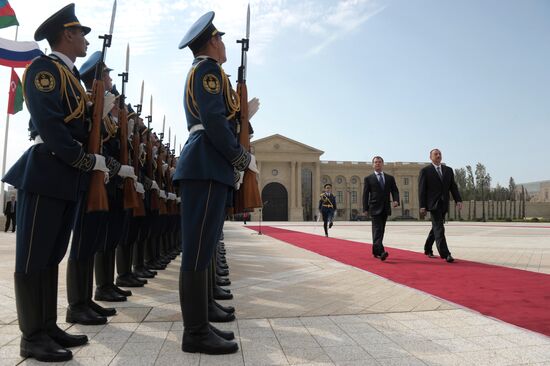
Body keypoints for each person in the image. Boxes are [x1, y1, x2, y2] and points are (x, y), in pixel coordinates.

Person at [1, 4, 109, 362]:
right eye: (81, 33)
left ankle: (47, 326)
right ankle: (31, 337)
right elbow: (49, 123)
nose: (85, 40)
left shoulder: (72, 78)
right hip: (47, 170)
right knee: (33, 257)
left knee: (51, 255)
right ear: (67, 34)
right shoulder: (44, 69)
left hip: (64, 175)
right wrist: (83, 159)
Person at [174, 11, 258, 354]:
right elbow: (211, 120)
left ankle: (203, 315)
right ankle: (194, 332)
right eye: (221, 38)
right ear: (212, 41)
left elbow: (218, 117)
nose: (224, 44)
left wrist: (242, 119)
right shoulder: (208, 71)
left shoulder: (210, 73)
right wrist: (240, 157)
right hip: (206, 161)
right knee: (196, 252)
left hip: (209, 162)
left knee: (205, 248)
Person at [419, 148, 462, 263]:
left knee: (436, 227)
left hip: (444, 204)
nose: (438, 156)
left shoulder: (448, 170)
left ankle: (427, 248)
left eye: (439, 154)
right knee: (439, 228)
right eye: (435, 154)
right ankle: (445, 253)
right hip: (433, 204)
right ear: (430, 157)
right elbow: (422, 190)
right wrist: (422, 205)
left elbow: (453, 187)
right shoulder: (425, 171)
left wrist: (458, 200)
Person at [362, 156, 399, 261]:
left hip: (385, 207)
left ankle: (375, 251)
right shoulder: (369, 178)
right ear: (373, 165)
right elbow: (365, 195)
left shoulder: (389, 178)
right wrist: (365, 208)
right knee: (378, 229)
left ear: (382, 164)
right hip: (374, 207)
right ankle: (381, 252)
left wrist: (396, 200)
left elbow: (395, 190)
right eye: (375, 162)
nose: (377, 163)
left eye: (379, 162)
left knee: (381, 230)